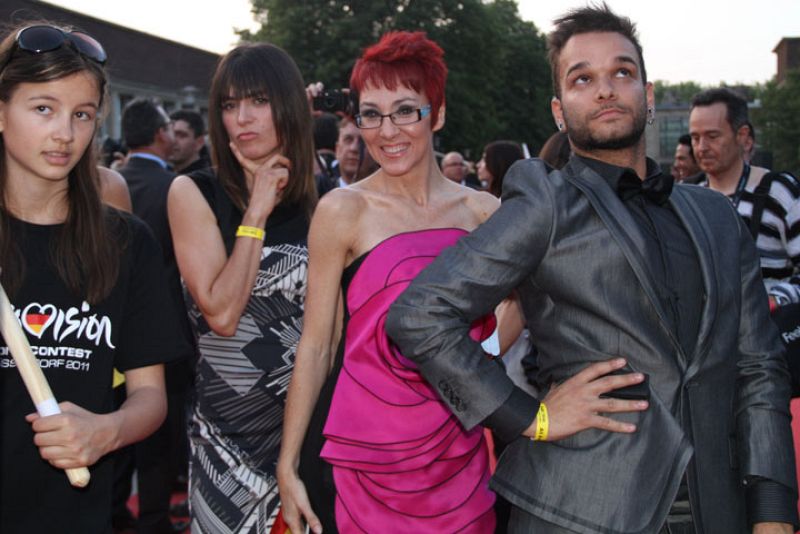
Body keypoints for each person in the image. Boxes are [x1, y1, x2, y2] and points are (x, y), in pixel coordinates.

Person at [386, 5, 798, 533]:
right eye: (584, 78)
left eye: (622, 73)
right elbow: (420, 314)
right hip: (582, 510)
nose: (605, 90)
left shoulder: (717, 217)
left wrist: (772, 511)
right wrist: (527, 417)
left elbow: (760, 369)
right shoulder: (546, 203)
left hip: (717, 509)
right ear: (560, 111)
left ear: (647, 98)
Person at [277, 31, 530, 534]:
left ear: (436, 114)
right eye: (371, 113)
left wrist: (482, 360)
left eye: (405, 111)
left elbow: (521, 303)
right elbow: (317, 343)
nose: (387, 130)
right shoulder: (342, 211)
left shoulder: (485, 212)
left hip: (459, 445)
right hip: (359, 455)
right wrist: (286, 464)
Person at [0, 23, 176, 532]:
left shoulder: (126, 242)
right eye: (43, 109)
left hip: (76, 515)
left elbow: (151, 396)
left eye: (82, 115)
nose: (64, 133)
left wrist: (107, 430)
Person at [167, 42, 317, 533]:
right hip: (227, 447)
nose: (242, 118)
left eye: (257, 101)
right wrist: (255, 212)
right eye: (229, 106)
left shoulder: (327, 205)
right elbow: (222, 313)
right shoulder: (193, 193)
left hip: (312, 437)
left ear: (288, 106)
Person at [690, 87, 800, 309]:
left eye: (712, 136)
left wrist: (776, 301)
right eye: (695, 138)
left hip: (769, 334)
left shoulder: (778, 191)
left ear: (743, 137)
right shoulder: (687, 198)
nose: (701, 147)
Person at [169, 109, 209, 174]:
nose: (173, 141)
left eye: (181, 135)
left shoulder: (205, 179)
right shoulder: (163, 173)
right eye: (170, 134)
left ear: (199, 142)